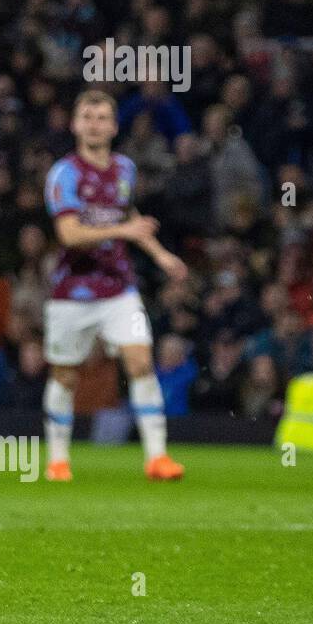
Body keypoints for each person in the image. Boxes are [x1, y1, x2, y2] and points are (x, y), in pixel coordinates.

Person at [41, 90, 189, 482]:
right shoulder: (64, 173)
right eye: (87, 117)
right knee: (65, 374)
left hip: (119, 287)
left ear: (114, 126)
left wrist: (159, 254)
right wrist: (126, 229)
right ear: (75, 125)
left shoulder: (125, 168)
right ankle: (58, 460)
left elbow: (129, 214)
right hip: (71, 291)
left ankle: (157, 458)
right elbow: (69, 234)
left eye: (102, 117)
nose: (95, 124)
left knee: (140, 361)